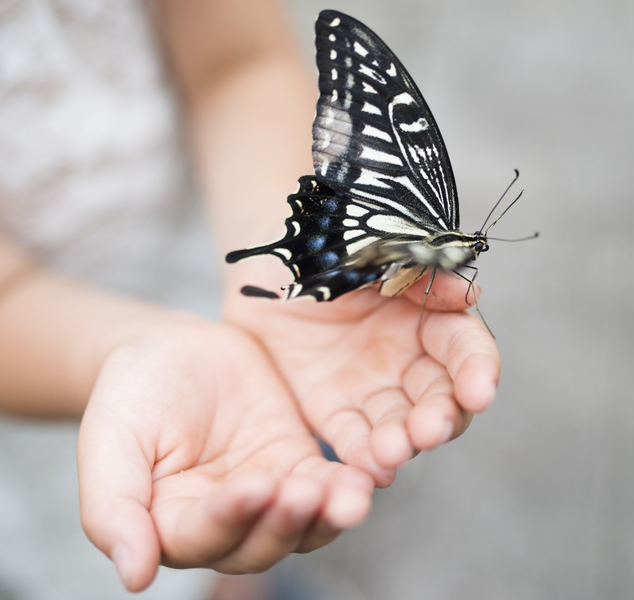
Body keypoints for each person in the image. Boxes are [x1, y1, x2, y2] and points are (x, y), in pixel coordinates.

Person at [0, 0, 500, 597]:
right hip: (38, 366)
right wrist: (124, 350)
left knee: (275, 490)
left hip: (247, 279)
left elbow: (241, 63)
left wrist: (281, 291)